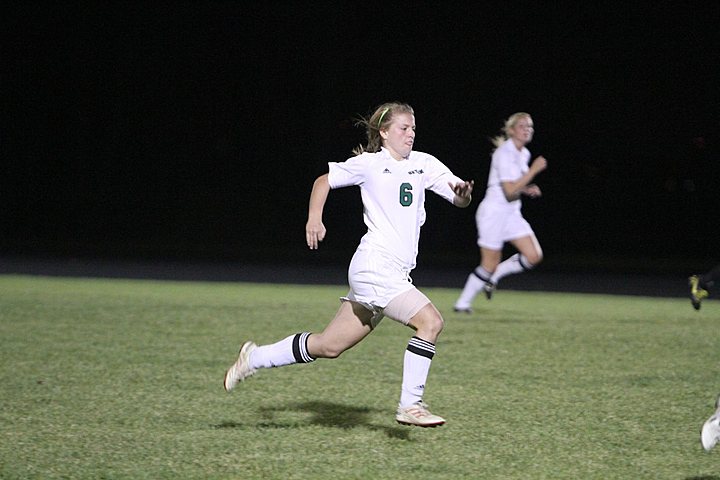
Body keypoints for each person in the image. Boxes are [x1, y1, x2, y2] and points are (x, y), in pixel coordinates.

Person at [223, 102, 474, 427]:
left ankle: (253, 357)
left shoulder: (423, 164)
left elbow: (458, 197)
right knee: (431, 322)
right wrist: (315, 218)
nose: (410, 134)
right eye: (403, 128)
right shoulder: (369, 164)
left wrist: (464, 193)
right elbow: (322, 181)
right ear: (384, 132)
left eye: (413, 128)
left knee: (328, 346)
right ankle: (411, 405)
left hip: (393, 273)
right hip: (374, 266)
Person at [454, 112, 547, 312]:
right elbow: (509, 190)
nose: (527, 129)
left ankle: (494, 277)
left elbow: (514, 186)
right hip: (493, 213)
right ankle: (462, 303)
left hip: (511, 213)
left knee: (534, 255)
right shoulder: (504, 153)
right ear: (511, 130)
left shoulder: (524, 154)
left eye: (530, 126)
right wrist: (533, 171)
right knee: (489, 264)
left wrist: (527, 188)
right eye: (522, 126)